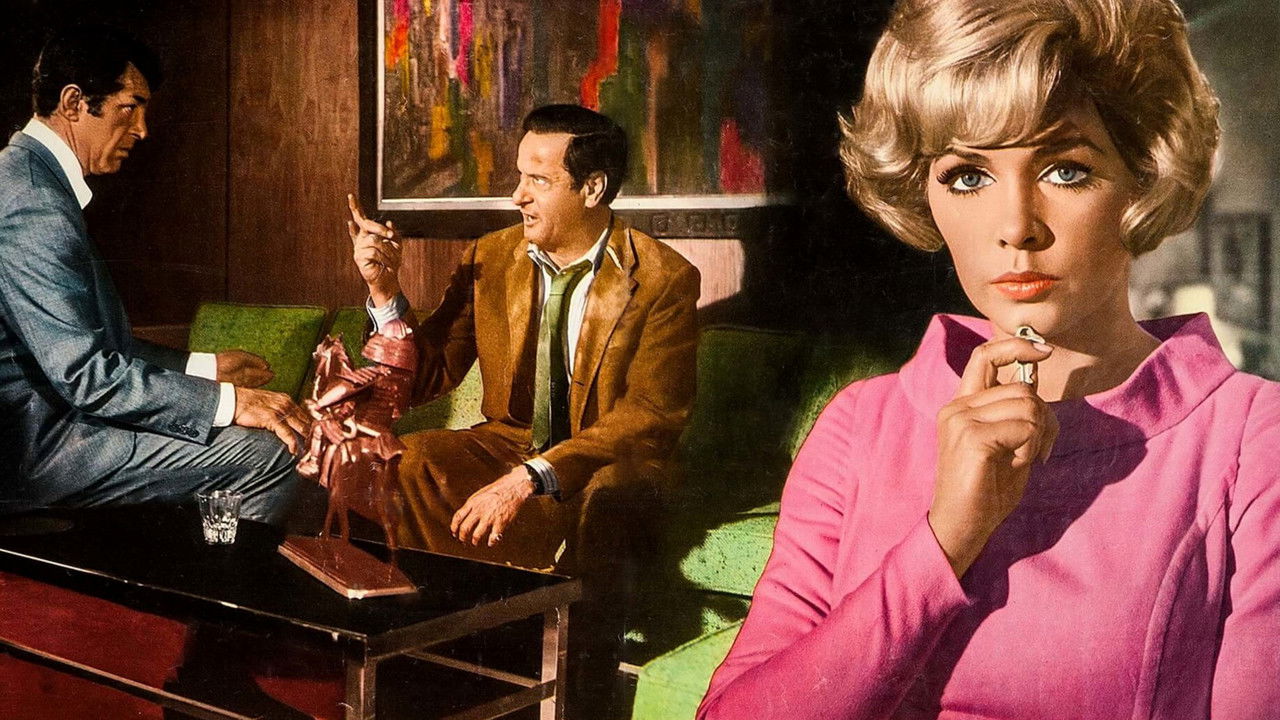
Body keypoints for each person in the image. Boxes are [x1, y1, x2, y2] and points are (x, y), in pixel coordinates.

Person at [699, 0, 1280, 717]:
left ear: (1143, 175)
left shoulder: (1251, 441)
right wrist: (945, 539)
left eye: (1066, 170)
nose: (1016, 227)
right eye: (968, 176)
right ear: (923, 192)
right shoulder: (859, 424)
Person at [348, 104, 700, 711]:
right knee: (410, 462)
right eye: (519, 176)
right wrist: (384, 292)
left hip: (605, 463)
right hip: (507, 443)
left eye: (538, 180)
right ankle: (442, 671)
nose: (518, 196)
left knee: (610, 498)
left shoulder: (664, 278)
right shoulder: (490, 257)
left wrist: (531, 477)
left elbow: (650, 416)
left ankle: (571, 699)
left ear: (592, 188)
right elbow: (428, 374)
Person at [0, 26, 311, 523]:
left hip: (58, 430)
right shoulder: (34, 201)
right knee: (271, 456)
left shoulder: (26, 178)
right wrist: (230, 402)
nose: (142, 129)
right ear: (74, 103)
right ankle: (219, 574)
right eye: (130, 107)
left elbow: (91, 345)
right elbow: (86, 375)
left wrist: (204, 368)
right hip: (41, 453)